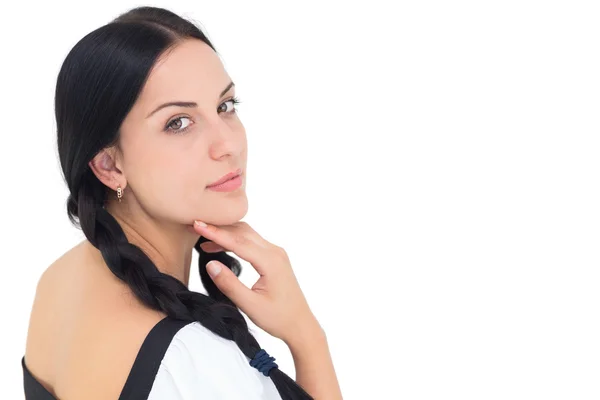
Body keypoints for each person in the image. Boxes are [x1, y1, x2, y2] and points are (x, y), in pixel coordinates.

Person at [22, 6, 342, 400]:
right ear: (108, 165)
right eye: (178, 123)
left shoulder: (59, 280)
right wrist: (307, 336)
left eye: (225, 106)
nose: (228, 145)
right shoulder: (190, 359)